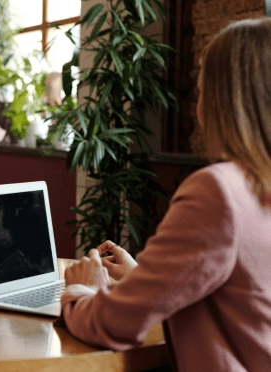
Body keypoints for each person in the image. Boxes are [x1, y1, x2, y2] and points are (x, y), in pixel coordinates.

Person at [60, 18, 271, 371]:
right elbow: (241, 296)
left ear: (222, 103)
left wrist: (82, 291)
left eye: (201, 93)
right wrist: (141, 279)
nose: (198, 109)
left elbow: (113, 323)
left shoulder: (219, 190)